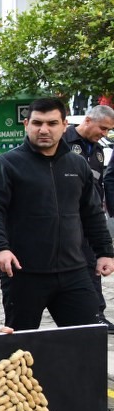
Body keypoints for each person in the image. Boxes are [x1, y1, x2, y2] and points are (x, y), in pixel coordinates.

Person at [0, 97, 114, 330]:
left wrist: (105, 252)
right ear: (26, 124)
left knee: (87, 341)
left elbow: (91, 213)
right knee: (21, 345)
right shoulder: (6, 164)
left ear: (64, 125)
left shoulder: (77, 165)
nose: (44, 130)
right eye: (37, 123)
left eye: (52, 123)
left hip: (74, 272)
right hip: (24, 273)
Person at [62, 105, 114, 328]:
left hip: (91, 217)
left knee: (93, 262)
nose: (104, 134)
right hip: (68, 217)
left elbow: (101, 183)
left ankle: (96, 313)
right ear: (88, 120)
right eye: (102, 128)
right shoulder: (64, 141)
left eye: (108, 130)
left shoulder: (99, 150)